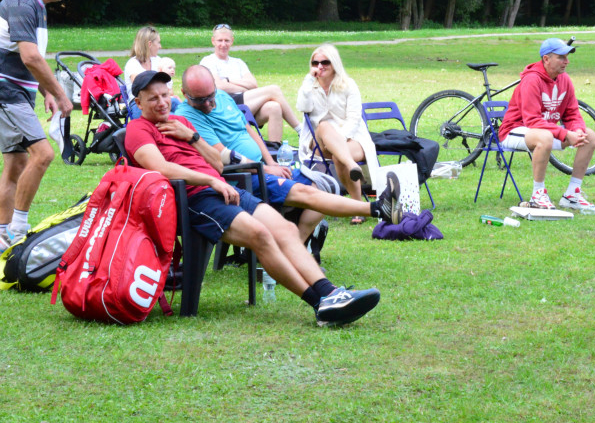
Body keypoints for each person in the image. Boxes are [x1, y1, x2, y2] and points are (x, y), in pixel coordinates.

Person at [124, 70, 381, 327]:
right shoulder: (138, 130)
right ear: (139, 103)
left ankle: (332, 293)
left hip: (222, 189)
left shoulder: (184, 124)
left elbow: (217, 164)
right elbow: (161, 168)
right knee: (261, 235)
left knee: (286, 229)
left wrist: (191, 137)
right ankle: (320, 303)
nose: (161, 102)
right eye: (153, 98)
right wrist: (210, 180)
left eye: (164, 95)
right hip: (193, 199)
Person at [175, 65, 402, 241]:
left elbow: (248, 130)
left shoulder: (222, 97)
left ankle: (296, 244)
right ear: (184, 93)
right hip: (243, 175)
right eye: (200, 99)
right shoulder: (188, 116)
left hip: (263, 167)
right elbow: (221, 157)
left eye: (210, 96)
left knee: (325, 184)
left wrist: (269, 160)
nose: (208, 104)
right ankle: (377, 208)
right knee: (308, 194)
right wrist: (264, 168)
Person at [0, 0, 75, 260]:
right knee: (43, 154)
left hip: (13, 93)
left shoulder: (37, 7)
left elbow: (28, 60)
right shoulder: (23, 3)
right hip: (4, 93)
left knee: (16, 164)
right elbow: (31, 57)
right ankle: (18, 232)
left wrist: (44, 90)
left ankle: (1, 240)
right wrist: (61, 95)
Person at [497, 38, 595, 211]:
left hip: (543, 131)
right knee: (544, 137)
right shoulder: (531, 80)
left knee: (589, 136)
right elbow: (532, 120)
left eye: (567, 57)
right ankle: (538, 195)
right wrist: (566, 134)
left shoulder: (564, 79)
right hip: (514, 130)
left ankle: (572, 194)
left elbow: (572, 113)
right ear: (546, 59)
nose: (566, 61)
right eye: (561, 57)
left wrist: (577, 131)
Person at [296, 45, 380, 223]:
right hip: (320, 142)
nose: (320, 66)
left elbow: (354, 118)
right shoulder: (310, 86)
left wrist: (339, 140)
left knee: (338, 156)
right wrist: (307, 83)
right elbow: (303, 108)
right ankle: (352, 166)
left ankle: (357, 208)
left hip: (352, 138)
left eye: (325, 62)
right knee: (324, 125)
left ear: (334, 63)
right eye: (315, 62)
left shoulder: (348, 84)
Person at [200, 24, 302, 144]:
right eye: (220, 40)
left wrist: (228, 80)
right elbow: (220, 87)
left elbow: (253, 84)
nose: (223, 44)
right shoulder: (208, 61)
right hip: (226, 105)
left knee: (274, 107)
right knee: (274, 89)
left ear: (232, 41)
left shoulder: (238, 63)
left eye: (227, 40)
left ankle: (274, 154)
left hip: (245, 104)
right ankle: (301, 130)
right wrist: (242, 86)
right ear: (213, 41)